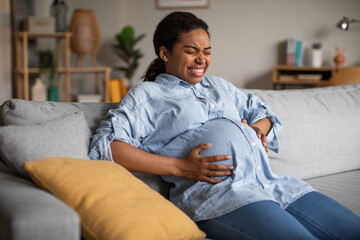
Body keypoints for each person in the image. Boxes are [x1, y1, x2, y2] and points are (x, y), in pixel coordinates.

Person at [89, 11, 360, 240]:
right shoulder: (147, 95)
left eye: (206, 52)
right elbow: (110, 148)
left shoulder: (218, 86)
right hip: (219, 197)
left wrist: (257, 130)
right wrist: (180, 167)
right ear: (164, 53)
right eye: (191, 51)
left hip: (273, 185)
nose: (202, 59)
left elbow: (264, 113)